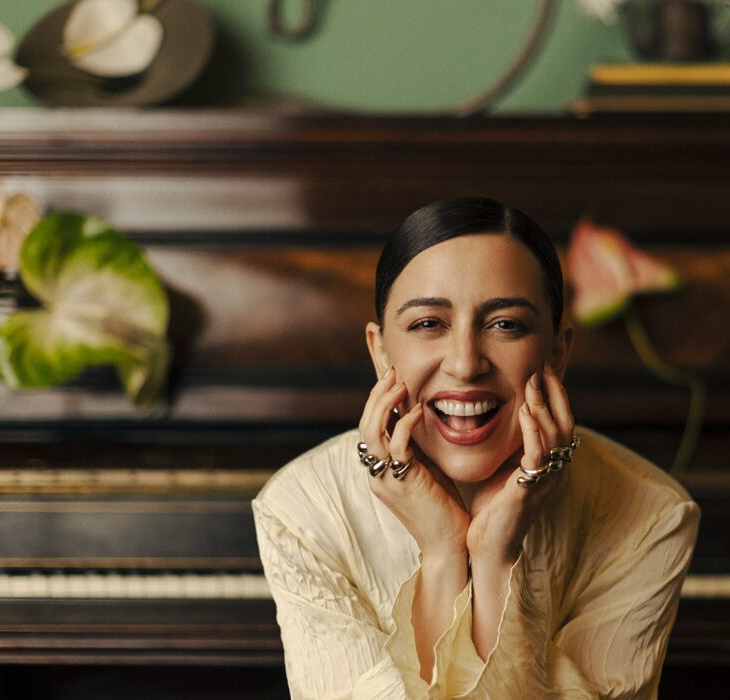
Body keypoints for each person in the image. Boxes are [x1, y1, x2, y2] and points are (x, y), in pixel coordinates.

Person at [252, 197, 700, 699]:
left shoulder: (653, 514)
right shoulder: (303, 508)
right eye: (428, 324)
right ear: (381, 352)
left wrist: (495, 562)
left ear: (557, 352)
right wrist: (443, 551)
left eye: (505, 324)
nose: (465, 365)